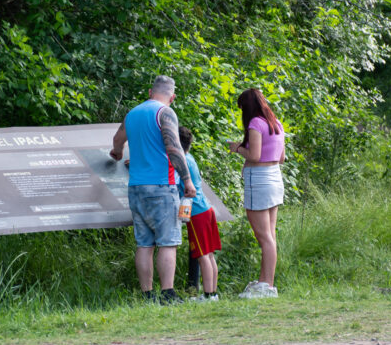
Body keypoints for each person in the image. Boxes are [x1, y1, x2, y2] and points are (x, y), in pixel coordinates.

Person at [110, 75, 196, 305]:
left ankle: (147, 295)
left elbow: (117, 140)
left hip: (136, 186)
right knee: (168, 242)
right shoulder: (165, 113)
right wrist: (187, 181)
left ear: (150, 92)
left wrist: (117, 152)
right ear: (172, 97)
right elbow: (174, 148)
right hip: (161, 186)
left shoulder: (132, 114)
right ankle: (168, 294)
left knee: (144, 243)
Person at [227, 88, 286, 299]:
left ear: (247, 107)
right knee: (270, 236)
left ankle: (266, 286)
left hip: (259, 181)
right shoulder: (276, 123)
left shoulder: (255, 124)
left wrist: (237, 148)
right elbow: (281, 158)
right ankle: (265, 283)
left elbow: (255, 155)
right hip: (275, 178)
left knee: (264, 237)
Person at [177, 126, 222, 302]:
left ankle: (208, 295)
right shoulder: (190, 158)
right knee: (209, 254)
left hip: (196, 212)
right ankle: (213, 293)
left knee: (203, 255)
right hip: (206, 209)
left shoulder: (181, 161)